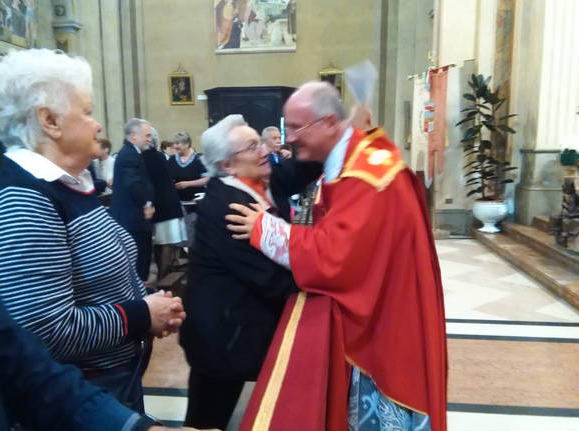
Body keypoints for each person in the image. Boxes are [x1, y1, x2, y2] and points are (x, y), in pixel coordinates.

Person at [226, 82, 448, 431]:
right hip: (382, 303)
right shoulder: (358, 156)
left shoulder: (366, 176)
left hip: (387, 324)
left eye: (297, 127)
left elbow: (336, 256)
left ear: (329, 122)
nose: (290, 138)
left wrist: (264, 230)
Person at [0, 48, 185, 414]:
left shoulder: (68, 185)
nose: (98, 124)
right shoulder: (23, 201)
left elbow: (104, 271)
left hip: (111, 381)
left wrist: (151, 301)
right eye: (87, 112)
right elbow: (43, 331)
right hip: (78, 398)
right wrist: (141, 314)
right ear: (49, 120)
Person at [179, 115, 321, 431]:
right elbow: (268, 278)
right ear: (228, 165)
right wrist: (322, 276)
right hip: (221, 335)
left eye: (259, 141)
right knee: (207, 419)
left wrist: (324, 133)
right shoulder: (228, 206)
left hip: (242, 323)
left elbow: (302, 167)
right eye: (252, 146)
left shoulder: (262, 178)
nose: (262, 151)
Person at [110, 118, 156, 281]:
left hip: (133, 218)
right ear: (134, 136)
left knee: (140, 262)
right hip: (132, 219)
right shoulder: (129, 155)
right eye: (148, 135)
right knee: (138, 263)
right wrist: (147, 204)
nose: (150, 139)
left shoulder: (132, 153)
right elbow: (134, 184)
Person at [142, 127, 187, 279]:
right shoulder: (158, 156)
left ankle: (163, 275)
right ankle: (164, 273)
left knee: (162, 241)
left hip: (161, 203)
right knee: (166, 241)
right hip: (166, 202)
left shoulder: (146, 157)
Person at [168, 131, 209, 246]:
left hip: (195, 204)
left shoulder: (199, 159)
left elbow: (206, 179)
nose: (175, 146)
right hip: (178, 204)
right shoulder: (171, 160)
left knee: (195, 236)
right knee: (180, 236)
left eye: (178, 143)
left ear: (187, 144)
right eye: (174, 143)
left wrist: (188, 184)